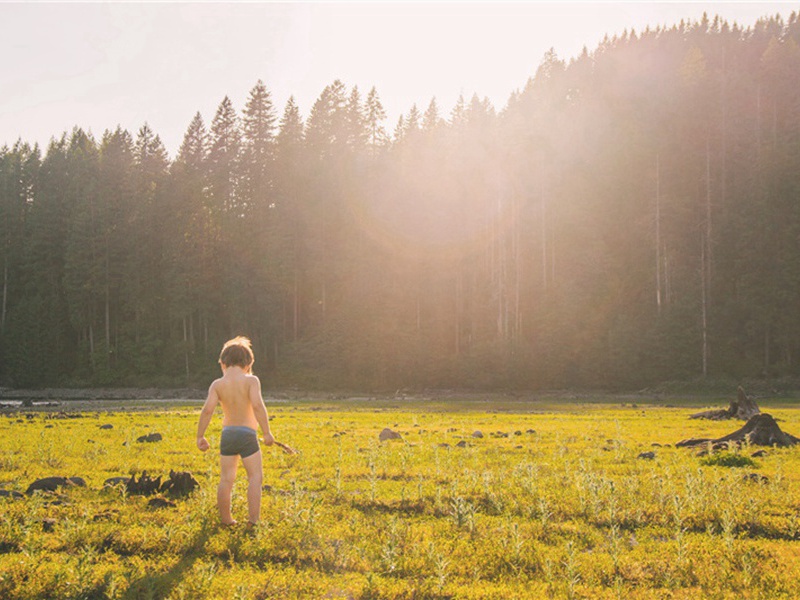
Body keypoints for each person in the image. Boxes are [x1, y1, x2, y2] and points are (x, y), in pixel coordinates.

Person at [196, 336, 274, 527]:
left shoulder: (217, 384)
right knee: (255, 477)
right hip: (247, 435)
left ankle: (226, 520)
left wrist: (200, 436)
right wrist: (266, 432)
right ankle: (253, 521)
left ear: (223, 363)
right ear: (248, 364)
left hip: (228, 435)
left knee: (226, 478)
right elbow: (257, 405)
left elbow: (207, 410)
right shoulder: (251, 381)